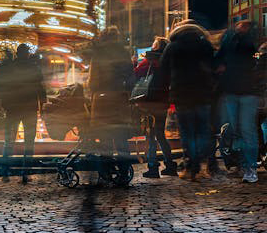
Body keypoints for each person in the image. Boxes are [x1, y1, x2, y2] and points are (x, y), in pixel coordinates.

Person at [159, 19, 215, 181]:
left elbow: (163, 70)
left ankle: (191, 165)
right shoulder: (204, 44)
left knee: (187, 132)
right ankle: (205, 164)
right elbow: (213, 66)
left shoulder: (173, 46)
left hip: (181, 94)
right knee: (203, 130)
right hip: (203, 93)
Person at [87, 26, 134, 184]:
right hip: (120, 99)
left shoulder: (98, 54)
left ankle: (106, 171)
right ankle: (124, 171)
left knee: (105, 139)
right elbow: (131, 79)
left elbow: (93, 82)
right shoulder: (124, 53)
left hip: (102, 101)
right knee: (121, 139)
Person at [0, 44, 47, 183]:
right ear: (28, 54)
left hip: (12, 109)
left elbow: (3, 88)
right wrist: (42, 107)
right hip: (29, 109)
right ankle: (26, 172)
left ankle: (5, 172)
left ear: (17, 54)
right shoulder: (34, 68)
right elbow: (40, 89)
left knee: (9, 141)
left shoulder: (10, 68)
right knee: (29, 142)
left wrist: (2, 105)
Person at [215, 20, 260, 183]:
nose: (239, 26)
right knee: (236, 130)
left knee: (247, 130)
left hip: (248, 92)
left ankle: (250, 167)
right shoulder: (229, 40)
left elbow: (248, 48)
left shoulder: (248, 41)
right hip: (231, 90)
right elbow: (219, 57)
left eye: (244, 25)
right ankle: (243, 164)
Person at [136, 37, 177, 178]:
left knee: (150, 136)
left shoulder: (149, 61)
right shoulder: (167, 63)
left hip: (149, 103)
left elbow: (137, 74)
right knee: (160, 135)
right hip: (162, 102)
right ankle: (170, 165)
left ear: (156, 47)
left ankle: (153, 167)